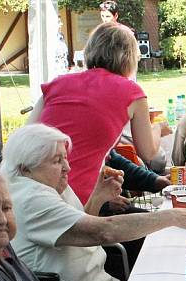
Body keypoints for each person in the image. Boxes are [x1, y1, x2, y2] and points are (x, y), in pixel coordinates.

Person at [2, 124, 186, 281]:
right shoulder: (31, 198)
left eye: (65, 158)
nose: (67, 168)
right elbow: (102, 232)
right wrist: (170, 216)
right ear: (26, 168)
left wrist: (98, 197)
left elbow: (78, 229)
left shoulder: (46, 183)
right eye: (56, 161)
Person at [29, 23, 166, 205]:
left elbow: (26, 137)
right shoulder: (132, 92)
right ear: (131, 57)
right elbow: (148, 152)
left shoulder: (56, 84)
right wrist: (158, 128)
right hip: (75, 201)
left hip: (31, 192)